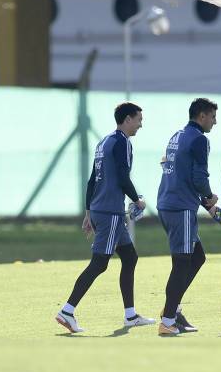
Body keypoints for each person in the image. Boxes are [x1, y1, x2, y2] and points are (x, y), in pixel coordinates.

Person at [56, 102, 155, 333]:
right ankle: (67, 311)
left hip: (104, 211)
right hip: (110, 213)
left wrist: (88, 213)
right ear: (128, 119)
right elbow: (122, 176)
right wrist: (137, 200)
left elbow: (92, 180)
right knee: (99, 263)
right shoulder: (122, 142)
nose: (141, 124)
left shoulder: (104, 142)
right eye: (139, 119)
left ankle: (130, 315)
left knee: (130, 257)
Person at [156, 98, 221, 336]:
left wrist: (209, 208)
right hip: (180, 207)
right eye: (213, 117)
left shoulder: (177, 135)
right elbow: (198, 177)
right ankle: (167, 321)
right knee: (182, 263)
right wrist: (210, 198)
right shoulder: (199, 139)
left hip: (167, 203)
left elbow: (171, 167)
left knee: (197, 258)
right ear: (202, 116)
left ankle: (172, 311)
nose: (215, 122)